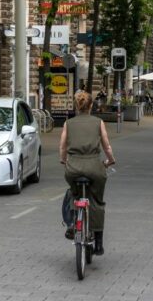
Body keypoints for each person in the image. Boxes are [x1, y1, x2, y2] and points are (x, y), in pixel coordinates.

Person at [59, 91, 116, 254]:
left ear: (77, 106)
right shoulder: (98, 122)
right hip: (94, 167)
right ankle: (98, 243)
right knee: (97, 201)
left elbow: (62, 146)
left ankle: (71, 225)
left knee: (73, 193)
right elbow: (107, 146)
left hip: (73, 167)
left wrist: (63, 160)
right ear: (91, 105)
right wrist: (110, 160)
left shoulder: (68, 123)